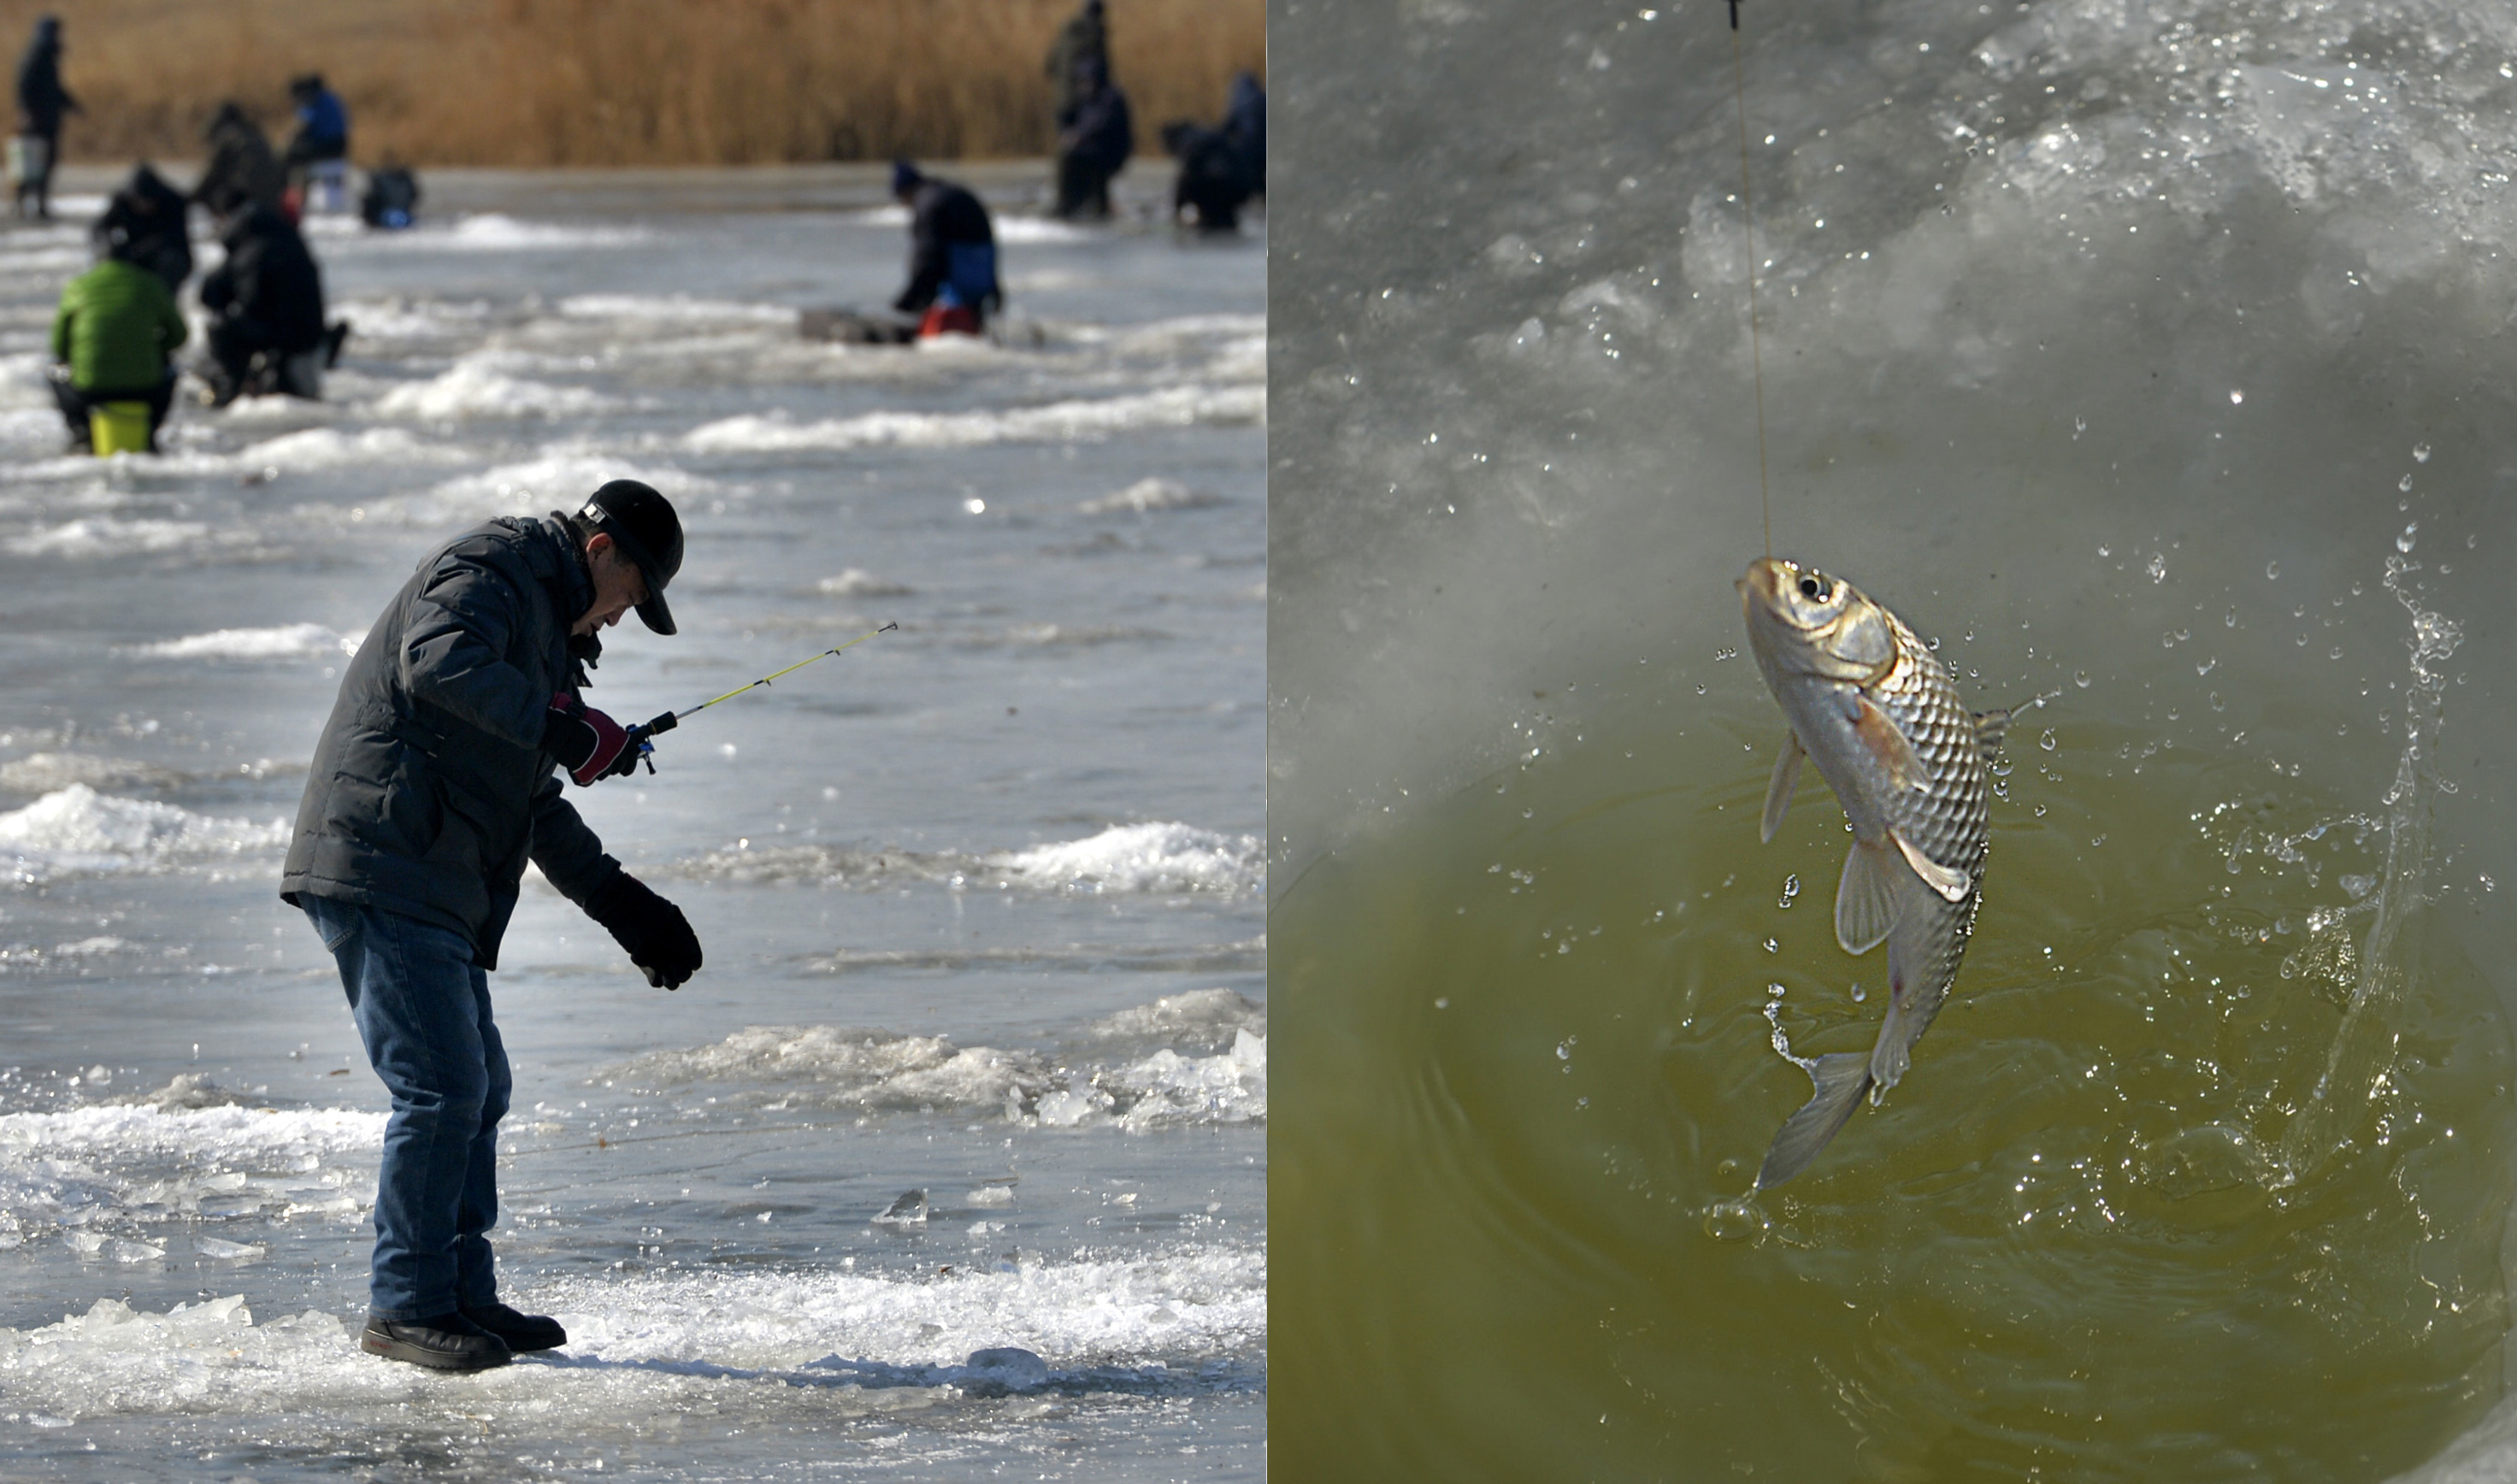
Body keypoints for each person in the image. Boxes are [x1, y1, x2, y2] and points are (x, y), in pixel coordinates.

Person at [282, 478, 703, 1372]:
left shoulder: (543, 629)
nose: (622, 619)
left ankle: (461, 1293)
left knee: (479, 1085)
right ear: (601, 554)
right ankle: (406, 1304)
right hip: (383, 857)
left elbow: (527, 794)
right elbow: (435, 661)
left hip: (432, 872)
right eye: (631, 596)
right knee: (440, 1088)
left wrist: (622, 901)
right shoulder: (494, 567)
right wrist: (564, 720)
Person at [48, 231, 186, 454]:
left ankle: (82, 430)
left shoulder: (78, 286)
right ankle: (150, 431)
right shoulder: (151, 283)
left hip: (90, 389)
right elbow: (179, 335)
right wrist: (153, 349)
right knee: (172, 370)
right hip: (144, 388)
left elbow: (58, 346)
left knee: (53, 371)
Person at [197, 201, 332, 405]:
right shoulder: (290, 242)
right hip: (309, 332)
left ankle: (229, 386)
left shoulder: (252, 251)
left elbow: (247, 300)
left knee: (221, 328)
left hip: (284, 334)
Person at [891, 160, 1000, 337]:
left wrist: (906, 302)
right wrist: (995, 287)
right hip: (981, 278)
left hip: (957, 287)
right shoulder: (948, 193)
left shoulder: (927, 204)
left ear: (905, 191)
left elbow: (927, 258)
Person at [92, 163, 193, 293]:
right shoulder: (123, 201)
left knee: (169, 262)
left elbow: (176, 239)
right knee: (109, 261)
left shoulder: (174, 202)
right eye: (139, 202)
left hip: (166, 253)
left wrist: (148, 248)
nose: (144, 207)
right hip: (133, 253)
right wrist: (109, 245)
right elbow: (100, 228)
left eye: (148, 202)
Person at [12, 15, 75, 220]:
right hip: (35, 120)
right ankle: (20, 203)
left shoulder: (47, 55)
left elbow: (53, 89)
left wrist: (71, 104)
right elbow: (24, 87)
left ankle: (39, 203)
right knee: (30, 162)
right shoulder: (36, 56)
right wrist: (27, 113)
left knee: (46, 162)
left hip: (48, 119)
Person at [1053, 58, 1133, 221]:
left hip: (1109, 152)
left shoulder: (1111, 98)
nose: (1085, 84)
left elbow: (1102, 124)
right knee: (1070, 158)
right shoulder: (1085, 98)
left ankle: (1084, 206)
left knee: (1074, 160)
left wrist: (1079, 136)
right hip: (1091, 150)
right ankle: (1073, 203)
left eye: (1088, 79)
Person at [196, 102, 286, 219]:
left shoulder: (228, 136)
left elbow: (214, 173)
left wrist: (193, 197)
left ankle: (229, 225)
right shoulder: (254, 132)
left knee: (216, 194)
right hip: (273, 198)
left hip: (250, 198)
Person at [1162, 121, 1251, 233]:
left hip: (1212, 187)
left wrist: (1177, 209)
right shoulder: (1212, 138)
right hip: (1234, 186)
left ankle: (1214, 218)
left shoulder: (1190, 144)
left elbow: (1184, 181)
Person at [285, 73, 351, 213]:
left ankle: (296, 198)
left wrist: (291, 139)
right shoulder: (331, 97)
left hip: (325, 147)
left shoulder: (311, 100)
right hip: (340, 146)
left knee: (291, 158)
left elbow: (304, 125)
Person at [1042, 0, 1107, 117]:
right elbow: (1101, 71)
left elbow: (1049, 67)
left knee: (1065, 134)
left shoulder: (1065, 35)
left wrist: (1063, 84)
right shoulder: (1095, 36)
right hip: (1083, 103)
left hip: (1062, 101)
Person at [1223, 72, 1264, 204]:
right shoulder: (1263, 99)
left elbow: (1228, 126)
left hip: (1246, 148)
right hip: (1264, 147)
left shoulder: (1238, 103)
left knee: (1251, 176)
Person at [360, 161, 421, 229]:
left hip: (397, 213)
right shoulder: (382, 180)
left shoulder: (404, 181)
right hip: (389, 213)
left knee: (399, 219)